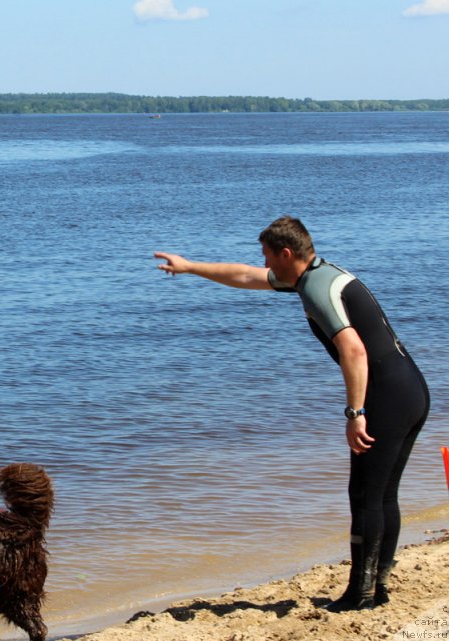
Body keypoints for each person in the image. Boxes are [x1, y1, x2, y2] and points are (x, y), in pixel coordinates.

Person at [154, 216, 429, 612]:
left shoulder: (317, 290)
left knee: (366, 495)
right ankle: (377, 586)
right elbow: (247, 277)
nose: (262, 262)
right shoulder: (318, 274)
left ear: (286, 253)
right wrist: (191, 266)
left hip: (386, 395)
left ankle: (360, 595)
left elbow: (354, 351)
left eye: (267, 254)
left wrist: (356, 413)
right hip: (411, 388)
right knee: (382, 493)